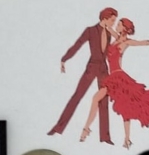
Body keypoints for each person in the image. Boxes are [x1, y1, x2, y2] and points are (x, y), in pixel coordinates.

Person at [80, 18, 149, 149]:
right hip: (113, 78)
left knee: (122, 107)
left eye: (119, 24)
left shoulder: (126, 42)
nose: (117, 25)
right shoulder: (116, 38)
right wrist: (104, 23)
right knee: (108, 102)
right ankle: (92, 130)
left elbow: (142, 43)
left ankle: (123, 137)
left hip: (119, 78)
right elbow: (107, 27)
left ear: (125, 29)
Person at [47, 8, 118, 144]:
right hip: (92, 66)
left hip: (103, 68)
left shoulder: (110, 32)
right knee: (77, 96)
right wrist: (64, 59)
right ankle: (58, 127)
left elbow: (119, 40)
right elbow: (77, 45)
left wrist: (111, 30)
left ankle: (105, 137)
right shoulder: (90, 31)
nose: (114, 23)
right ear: (105, 18)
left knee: (104, 100)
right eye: (112, 20)